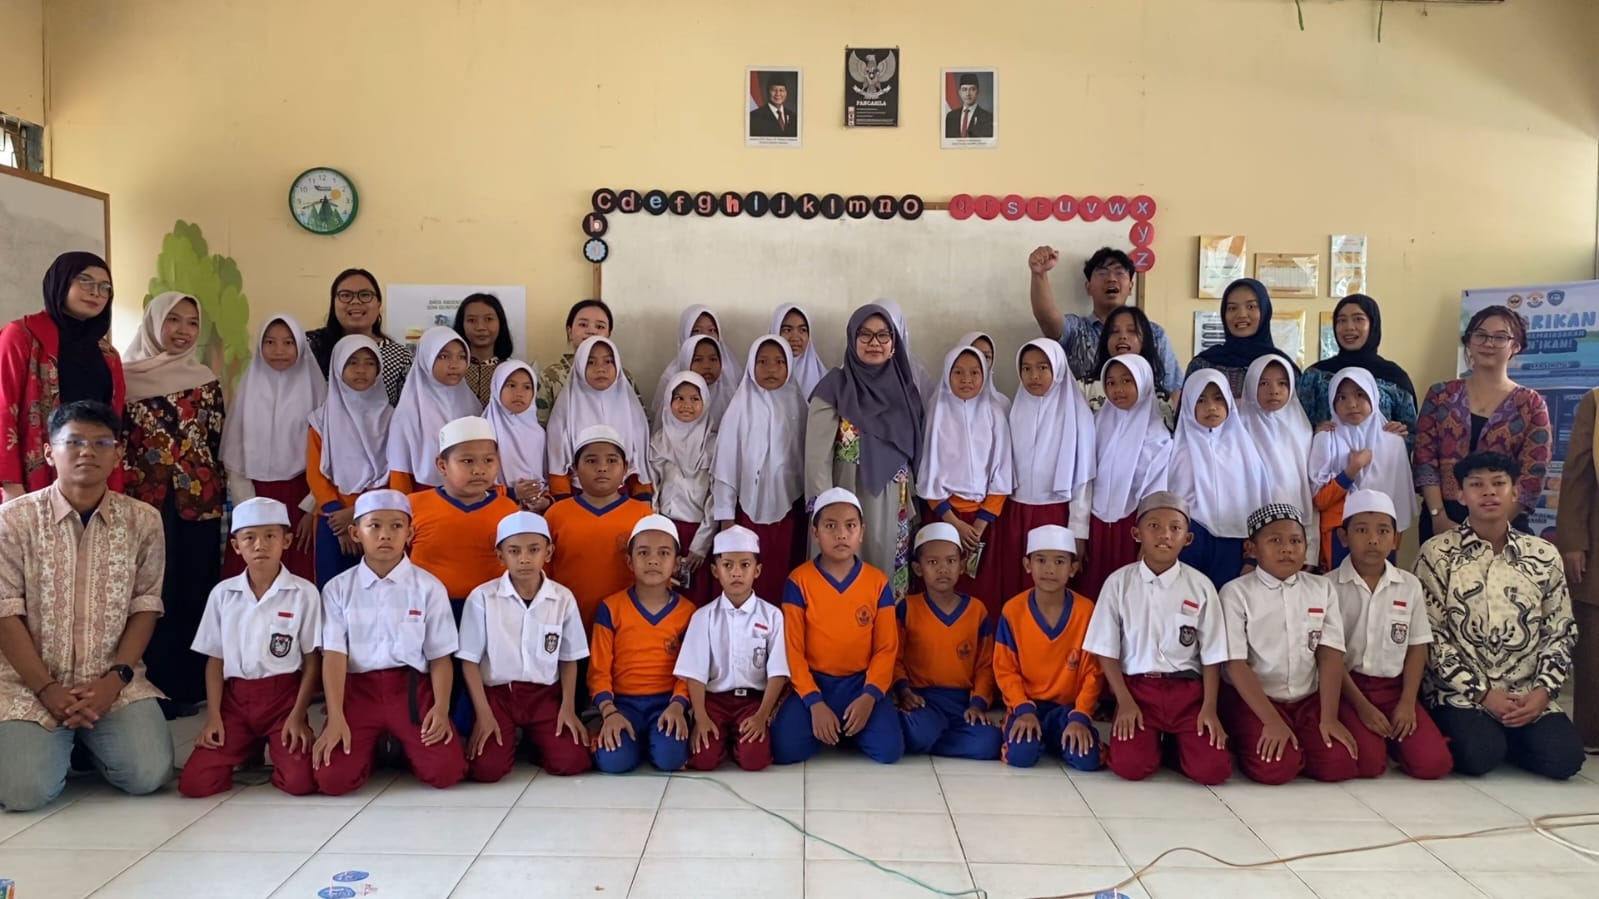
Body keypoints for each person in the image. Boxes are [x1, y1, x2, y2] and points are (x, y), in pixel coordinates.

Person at [0, 401, 172, 812]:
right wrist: (47, 688)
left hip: (111, 683)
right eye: (73, 442)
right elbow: (5, 612)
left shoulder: (143, 521)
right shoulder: (13, 520)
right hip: (28, 684)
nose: (87, 452)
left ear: (118, 454)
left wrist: (115, 680)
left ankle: (84, 742)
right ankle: (61, 742)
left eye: (101, 443)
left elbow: (146, 606)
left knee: (148, 774)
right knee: (24, 793)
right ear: (49, 452)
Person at [1417, 452, 1583, 780]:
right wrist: (1483, 694)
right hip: (1461, 694)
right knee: (1480, 756)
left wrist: (1542, 693)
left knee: (1566, 760)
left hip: (1526, 690)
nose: (1489, 492)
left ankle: (1508, 734)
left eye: (1498, 483)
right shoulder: (1437, 553)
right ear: (1461, 495)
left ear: (1515, 491)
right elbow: (1432, 637)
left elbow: (1560, 632)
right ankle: (1492, 738)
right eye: (1477, 485)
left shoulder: (1544, 555)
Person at [312, 489, 467, 795]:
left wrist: (440, 708)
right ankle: (374, 748)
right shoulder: (337, 589)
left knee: (445, 771)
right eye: (374, 526)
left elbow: (439, 657)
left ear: (410, 533)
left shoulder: (428, 587)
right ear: (355, 533)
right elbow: (334, 656)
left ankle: (400, 745)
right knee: (332, 779)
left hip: (410, 691)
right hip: (357, 691)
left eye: (396, 526)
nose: (385, 535)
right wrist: (336, 715)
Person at [121, 291, 227, 717]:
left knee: (195, 590)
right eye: (173, 320)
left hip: (198, 502)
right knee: (152, 594)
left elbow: (215, 440)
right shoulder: (123, 378)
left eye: (192, 322)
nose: (183, 331)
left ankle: (191, 685)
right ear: (154, 322)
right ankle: (153, 687)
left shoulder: (205, 379)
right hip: (144, 502)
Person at [1083, 492, 1231, 785]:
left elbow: (1213, 654)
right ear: (1136, 534)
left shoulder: (1201, 586)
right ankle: (1155, 742)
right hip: (1138, 691)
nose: (1165, 535)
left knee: (1213, 771)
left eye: (1175, 528)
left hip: (1188, 693)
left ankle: (1177, 745)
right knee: (1130, 767)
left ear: (1187, 538)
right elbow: (1105, 650)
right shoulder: (1118, 583)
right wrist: (1124, 701)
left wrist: (1209, 708)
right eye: (1154, 526)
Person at [178, 497, 321, 798]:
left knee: (300, 782)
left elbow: (312, 661)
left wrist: (298, 716)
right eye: (249, 538)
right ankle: (246, 746)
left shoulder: (304, 593)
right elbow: (215, 660)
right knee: (195, 784)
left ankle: (271, 749)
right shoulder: (223, 594)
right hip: (235, 702)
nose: (260, 545)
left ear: (286, 541)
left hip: (284, 701)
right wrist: (213, 717)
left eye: (270, 536)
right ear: (235, 546)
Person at [1218, 504, 1358, 785]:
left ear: (1306, 548)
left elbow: (1329, 655)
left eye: (1295, 541)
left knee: (1340, 764)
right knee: (1276, 769)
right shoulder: (1236, 593)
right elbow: (1235, 664)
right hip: (1255, 700)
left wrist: (1329, 718)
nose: (1287, 549)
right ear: (1252, 548)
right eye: (1275, 541)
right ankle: (1264, 741)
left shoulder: (1321, 588)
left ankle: (1298, 744)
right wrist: (1271, 721)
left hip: (1306, 700)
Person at [770, 488, 904, 765]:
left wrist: (869, 696)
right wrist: (814, 702)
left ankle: (848, 727)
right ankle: (834, 726)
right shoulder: (799, 581)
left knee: (889, 751)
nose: (841, 534)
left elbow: (886, 648)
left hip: (861, 683)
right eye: (830, 526)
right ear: (815, 533)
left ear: (861, 532)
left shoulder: (877, 582)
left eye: (850, 526)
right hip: (816, 682)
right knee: (785, 749)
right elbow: (793, 649)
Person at [458, 511, 592, 781]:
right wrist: (483, 714)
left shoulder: (562, 598)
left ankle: (535, 744)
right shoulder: (483, 597)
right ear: (500, 556)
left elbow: (569, 658)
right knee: (487, 770)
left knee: (573, 761)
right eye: (514, 551)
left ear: (548, 552)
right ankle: (513, 738)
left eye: (534, 550)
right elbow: (469, 661)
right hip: (498, 696)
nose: (524, 559)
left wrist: (567, 707)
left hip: (544, 695)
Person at [807, 304, 926, 601]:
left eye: (883, 335)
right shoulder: (834, 387)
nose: (875, 343)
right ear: (852, 338)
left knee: (885, 581)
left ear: (893, 343)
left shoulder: (905, 391)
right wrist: (826, 512)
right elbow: (816, 460)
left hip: (894, 502)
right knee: (843, 578)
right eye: (866, 334)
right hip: (845, 499)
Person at [1330, 490, 1451, 780]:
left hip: (1395, 690)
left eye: (1383, 531)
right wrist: (1363, 707)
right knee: (1369, 765)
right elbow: (1329, 657)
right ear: (1344, 537)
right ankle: (1381, 741)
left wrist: (1408, 703)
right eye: (1361, 530)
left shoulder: (1409, 585)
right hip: (1348, 689)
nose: (1373, 539)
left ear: (1396, 539)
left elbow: (1417, 647)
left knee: (1434, 764)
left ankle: (1396, 741)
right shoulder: (1328, 587)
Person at [1414, 306, 1550, 539]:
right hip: (1442, 520)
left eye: (1500, 337)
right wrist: (1438, 515)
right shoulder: (1440, 395)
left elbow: (1533, 472)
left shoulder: (1531, 404)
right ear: (1469, 341)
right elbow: (1424, 458)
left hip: (1505, 522)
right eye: (1481, 335)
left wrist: (1493, 526)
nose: (1488, 343)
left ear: (1515, 346)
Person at [0, 251, 126, 501]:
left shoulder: (108, 354)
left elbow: (114, 422)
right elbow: (3, 408)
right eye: (85, 281)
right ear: (60, 282)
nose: (96, 292)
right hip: (32, 480)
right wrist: (10, 484)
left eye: (105, 287)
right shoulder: (22, 336)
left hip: (93, 479)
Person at [220, 315, 326, 582]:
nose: (279, 350)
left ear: (300, 346)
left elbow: (329, 455)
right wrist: (250, 509)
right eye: (270, 342)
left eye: (288, 342)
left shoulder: (318, 393)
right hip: (255, 498)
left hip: (302, 499)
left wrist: (310, 507)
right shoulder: (247, 391)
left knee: (299, 576)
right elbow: (235, 456)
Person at [676, 526, 791, 772]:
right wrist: (701, 717)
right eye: (727, 565)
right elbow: (694, 673)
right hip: (714, 702)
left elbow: (778, 673)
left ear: (757, 570)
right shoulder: (703, 617)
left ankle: (737, 742)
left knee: (754, 760)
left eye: (745, 565)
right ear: (715, 571)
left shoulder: (772, 616)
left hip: (752, 702)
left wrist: (761, 716)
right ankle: (721, 741)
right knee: (703, 760)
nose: (736, 573)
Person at [588, 515, 694, 773]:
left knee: (670, 759)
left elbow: (690, 670)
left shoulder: (688, 612)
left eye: (663, 553)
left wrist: (678, 705)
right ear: (629, 561)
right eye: (643, 553)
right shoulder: (610, 608)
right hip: (622, 704)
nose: (653, 560)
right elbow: (599, 670)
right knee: (614, 762)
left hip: (666, 703)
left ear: (676, 563)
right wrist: (609, 711)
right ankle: (607, 731)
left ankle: (656, 741)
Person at [994, 525, 1103, 770]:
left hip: (1068, 709)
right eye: (1041, 560)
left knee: (1088, 760)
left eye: (1060, 561)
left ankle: (1058, 737)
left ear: (1073, 568)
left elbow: (1093, 673)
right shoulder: (1013, 611)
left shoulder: (1087, 612)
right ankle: (1034, 736)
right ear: (1027, 564)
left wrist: (1080, 716)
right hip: (1026, 705)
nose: (1050, 569)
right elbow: (1005, 669)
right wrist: (1022, 708)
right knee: (1021, 756)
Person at [917, 345, 1013, 617]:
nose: (966, 379)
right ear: (947, 374)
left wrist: (980, 524)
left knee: (983, 589)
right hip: (944, 518)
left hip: (985, 523)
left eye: (974, 373)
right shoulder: (937, 411)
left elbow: (1002, 471)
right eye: (958, 372)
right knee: (942, 585)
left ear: (985, 375)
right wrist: (954, 522)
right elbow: (929, 474)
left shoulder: (994, 412)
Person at [996, 339, 1095, 603]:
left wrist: (1078, 531)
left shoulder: (1077, 414)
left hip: (1056, 513)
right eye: (1026, 368)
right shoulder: (1015, 410)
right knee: (1017, 584)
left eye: (1042, 367)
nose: (1034, 376)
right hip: (1015, 513)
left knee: (1052, 587)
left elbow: (1084, 479)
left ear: (1058, 370)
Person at [711, 338, 809, 604]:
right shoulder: (739, 408)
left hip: (790, 512)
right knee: (747, 576)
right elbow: (726, 467)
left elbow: (808, 460)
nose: (771, 369)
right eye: (762, 362)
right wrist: (726, 518)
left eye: (779, 362)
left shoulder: (799, 407)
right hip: (746, 513)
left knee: (784, 576)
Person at [894, 524, 1003, 761]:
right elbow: (895, 658)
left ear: (961, 566)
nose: (943, 569)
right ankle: (929, 735)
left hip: (962, 702)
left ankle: (932, 740)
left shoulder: (977, 611)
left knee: (991, 742)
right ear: (918, 568)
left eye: (951, 561)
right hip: (923, 700)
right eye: (933, 562)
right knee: (921, 730)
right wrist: (904, 691)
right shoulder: (908, 608)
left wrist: (977, 704)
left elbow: (985, 666)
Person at [407, 416, 521, 621]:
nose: (479, 470)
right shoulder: (412, 506)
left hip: (492, 614)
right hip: (426, 613)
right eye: (467, 461)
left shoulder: (508, 510)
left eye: (488, 460)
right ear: (442, 465)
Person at [1027, 246, 1182, 393]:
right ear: (1088, 287)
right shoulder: (1076, 329)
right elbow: (1046, 317)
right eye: (1102, 273)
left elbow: (1174, 389)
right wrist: (1039, 274)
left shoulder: (1154, 333)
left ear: (1130, 286)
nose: (1111, 279)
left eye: (1120, 272)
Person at [1170, 370, 1274, 591]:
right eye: (1201, 400)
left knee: (1230, 602)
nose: (1211, 407)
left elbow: (1260, 502)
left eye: (1218, 399)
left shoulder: (1245, 450)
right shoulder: (1177, 451)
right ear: (1188, 404)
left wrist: (1252, 556)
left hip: (1235, 543)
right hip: (1191, 541)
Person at [546, 425, 656, 633]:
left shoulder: (643, 516)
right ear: (575, 468)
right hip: (567, 621)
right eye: (591, 461)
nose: (602, 467)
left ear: (625, 468)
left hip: (626, 626)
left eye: (612, 460)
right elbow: (543, 573)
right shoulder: (556, 514)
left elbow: (656, 575)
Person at [305, 336, 394, 588]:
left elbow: (396, 473)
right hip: (332, 519)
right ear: (337, 368)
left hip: (379, 516)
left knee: (379, 591)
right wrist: (339, 520)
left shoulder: (392, 419)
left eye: (369, 363)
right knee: (332, 590)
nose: (361, 370)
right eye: (352, 362)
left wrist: (358, 513)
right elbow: (315, 474)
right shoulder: (321, 420)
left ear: (379, 369)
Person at [1309, 369, 1415, 569]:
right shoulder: (1325, 439)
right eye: (1342, 397)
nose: (1351, 404)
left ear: (1374, 396)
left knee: (1379, 584)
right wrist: (1352, 469)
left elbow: (1398, 503)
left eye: (1360, 394)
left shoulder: (1393, 442)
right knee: (1339, 586)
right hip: (1339, 534)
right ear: (1332, 402)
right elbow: (1320, 500)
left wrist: (1393, 541)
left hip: (1382, 534)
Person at [1300, 294, 1418, 443]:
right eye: (1341, 320)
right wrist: (1313, 432)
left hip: (1381, 456)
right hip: (1326, 455)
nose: (1349, 327)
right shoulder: (1314, 376)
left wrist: (1401, 434)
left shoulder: (1394, 376)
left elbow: (1415, 434)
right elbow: (1295, 426)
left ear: (1373, 324)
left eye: (1358, 319)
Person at [546, 336, 652, 499]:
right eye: (591, 362)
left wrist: (642, 498)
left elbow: (639, 463)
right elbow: (557, 462)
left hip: (623, 498)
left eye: (608, 361)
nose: (600, 369)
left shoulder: (631, 409)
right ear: (579, 366)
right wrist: (563, 502)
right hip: (577, 497)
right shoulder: (565, 409)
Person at [1238, 356, 1318, 567]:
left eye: (1282, 383)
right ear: (1251, 384)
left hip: (1294, 521)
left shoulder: (1302, 427)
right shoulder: (1238, 426)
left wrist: (1311, 550)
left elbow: (1309, 485)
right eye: (1264, 383)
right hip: (1249, 521)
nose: (1274, 390)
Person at [1554, 387, 1599, 752]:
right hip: (1596, 540)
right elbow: (1577, 476)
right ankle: (1592, 733)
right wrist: (1572, 541)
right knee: (1594, 644)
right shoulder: (1596, 401)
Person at [386, 326, 482, 492]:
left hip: (470, 495)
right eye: (444, 356)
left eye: (461, 356)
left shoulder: (472, 405)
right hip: (423, 496)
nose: (454, 364)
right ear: (426, 359)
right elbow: (399, 469)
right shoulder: (409, 412)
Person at [650, 372, 718, 605]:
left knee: (695, 599)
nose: (686, 405)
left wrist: (700, 545)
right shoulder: (660, 440)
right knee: (664, 596)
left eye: (694, 399)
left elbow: (716, 498)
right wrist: (657, 531)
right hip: (665, 529)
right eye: (679, 398)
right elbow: (653, 488)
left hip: (699, 533)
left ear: (705, 402)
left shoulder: (712, 444)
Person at [305, 268, 415, 407]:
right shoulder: (310, 346)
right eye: (345, 295)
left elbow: (407, 411)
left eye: (365, 295)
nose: (355, 301)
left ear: (379, 304)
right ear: (334, 303)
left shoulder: (400, 357)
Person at [535, 299, 644, 426]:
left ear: (608, 334)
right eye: (583, 325)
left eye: (600, 327)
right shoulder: (550, 377)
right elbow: (539, 426)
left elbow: (640, 423)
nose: (591, 331)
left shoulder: (623, 377)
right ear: (570, 331)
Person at [1186, 278, 1298, 398]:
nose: (1241, 315)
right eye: (1232, 308)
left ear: (1264, 312)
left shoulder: (1281, 366)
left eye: (1251, 306)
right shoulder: (1203, 364)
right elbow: (1186, 408)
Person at [1080, 306, 1176, 426]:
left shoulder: (1159, 398)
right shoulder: (1084, 388)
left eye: (1132, 331)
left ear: (1144, 340)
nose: (1122, 336)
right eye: (1115, 331)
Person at [484, 360, 549, 513]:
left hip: (534, 511)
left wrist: (543, 499)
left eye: (527, 387)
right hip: (496, 508)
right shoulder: (484, 431)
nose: (519, 393)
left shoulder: (539, 433)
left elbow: (545, 477)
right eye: (511, 385)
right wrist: (512, 493)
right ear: (497, 387)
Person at [653, 334, 740, 429]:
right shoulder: (671, 398)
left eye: (713, 359)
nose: (707, 366)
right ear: (686, 361)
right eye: (698, 360)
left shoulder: (731, 397)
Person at [452, 292, 515, 405]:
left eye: (488, 319)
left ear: (500, 323)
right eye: (472, 320)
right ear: (462, 324)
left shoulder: (513, 371)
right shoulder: (451, 369)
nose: (480, 327)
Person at [772, 303, 827, 397]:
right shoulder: (762, 376)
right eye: (787, 330)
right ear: (775, 332)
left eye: (803, 330)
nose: (795, 338)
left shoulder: (825, 380)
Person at [944, 72, 993, 138]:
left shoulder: (988, 118)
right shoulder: (950, 117)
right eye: (964, 89)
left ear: (978, 92)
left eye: (972, 89)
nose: (968, 94)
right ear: (959, 92)